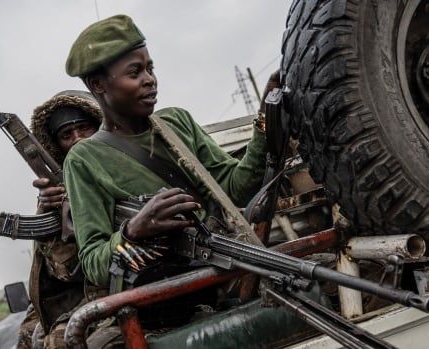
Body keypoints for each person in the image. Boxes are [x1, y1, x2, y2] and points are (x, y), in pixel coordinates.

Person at [63, 15, 276, 294]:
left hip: (233, 271)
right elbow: (93, 263)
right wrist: (132, 232)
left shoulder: (177, 123)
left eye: (150, 69)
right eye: (134, 72)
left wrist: (265, 121)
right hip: (171, 297)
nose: (149, 80)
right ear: (97, 85)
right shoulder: (84, 160)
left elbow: (235, 188)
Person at [16, 90, 102, 349]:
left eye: (84, 128)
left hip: (109, 286)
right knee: (28, 335)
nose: (77, 139)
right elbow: (64, 270)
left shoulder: (124, 162)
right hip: (75, 290)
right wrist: (50, 211)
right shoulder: (57, 194)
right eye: (67, 135)